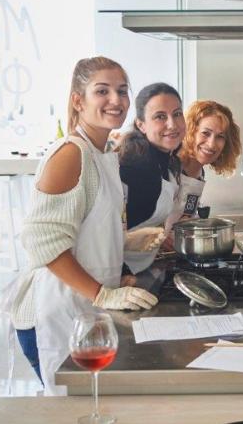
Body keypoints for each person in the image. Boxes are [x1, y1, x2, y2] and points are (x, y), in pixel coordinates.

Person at [10, 57, 158, 394]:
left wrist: (124, 246)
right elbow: (42, 242)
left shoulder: (103, 152)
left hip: (84, 308)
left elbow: (85, 228)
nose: (116, 100)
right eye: (102, 91)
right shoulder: (70, 154)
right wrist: (102, 293)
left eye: (122, 91)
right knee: (71, 407)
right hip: (54, 311)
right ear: (79, 100)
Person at [117, 83, 186, 274]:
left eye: (177, 114)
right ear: (141, 125)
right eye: (160, 116)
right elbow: (102, 233)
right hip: (116, 273)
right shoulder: (134, 167)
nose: (172, 124)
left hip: (140, 269)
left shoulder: (166, 162)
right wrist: (123, 274)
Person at [166, 99, 242, 235]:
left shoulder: (198, 171)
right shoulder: (167, 166)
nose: (211, 144)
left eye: (220, 137)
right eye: (205, 133)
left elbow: (184, 216)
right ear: (190, 132)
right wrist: (160, 234)